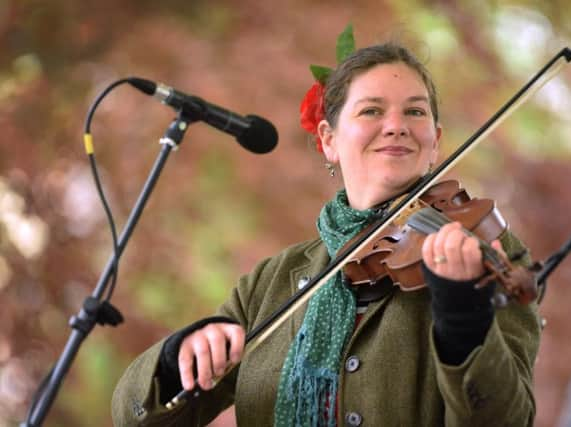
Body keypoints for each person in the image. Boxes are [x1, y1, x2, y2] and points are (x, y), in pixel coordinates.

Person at [111, 33, 540, 427]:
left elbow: (506, 419)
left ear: (436, 140)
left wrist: (464, 314)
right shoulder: (272, 282)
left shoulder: (484, 246)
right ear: (329, 139)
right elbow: (137, 420)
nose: (396, 125)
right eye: (372, 110)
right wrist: (176, 361)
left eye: (415, 111)